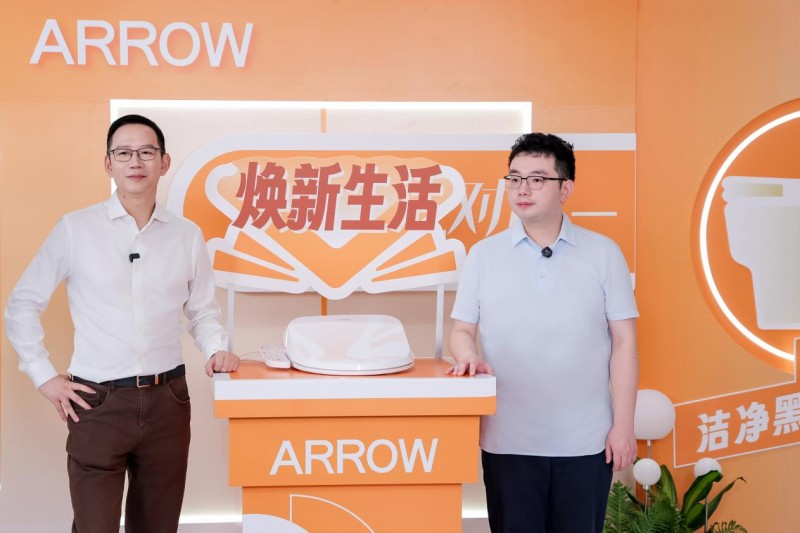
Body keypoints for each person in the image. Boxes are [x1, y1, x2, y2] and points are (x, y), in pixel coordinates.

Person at [4, 114, 240, 533]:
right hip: (97, 403)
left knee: (158, 525)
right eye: (124, 152)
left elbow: (202, 311)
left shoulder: (186, 235)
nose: (136, 161)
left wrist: (216, 348)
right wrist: (44, 376)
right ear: (108, 163)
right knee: (94, 526)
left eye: (146, 152)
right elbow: (21, 304)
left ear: (164, 162)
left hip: (168, 400)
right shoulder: (76, 229)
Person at [447, 133, 638, 532]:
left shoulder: (604, 253)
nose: (522, 189)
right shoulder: (484, 255)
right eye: (514, 179)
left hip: (586, 440)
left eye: (537, 179)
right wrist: (467, 355)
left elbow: (624, 343)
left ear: (565, 188)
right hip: (507, 439)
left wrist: (623, 426)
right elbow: (462, 329)